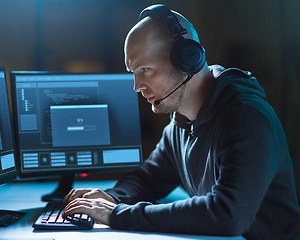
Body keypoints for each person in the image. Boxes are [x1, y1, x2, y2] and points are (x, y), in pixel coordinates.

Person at [62, 4, 300, 239]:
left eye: (145, 69)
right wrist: (112, 198)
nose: (137, 86)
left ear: (187, 60)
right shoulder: (180, 123)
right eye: (133, 72)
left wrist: (119, 215)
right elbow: (148, 178)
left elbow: (228, 215)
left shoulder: (247, 118)